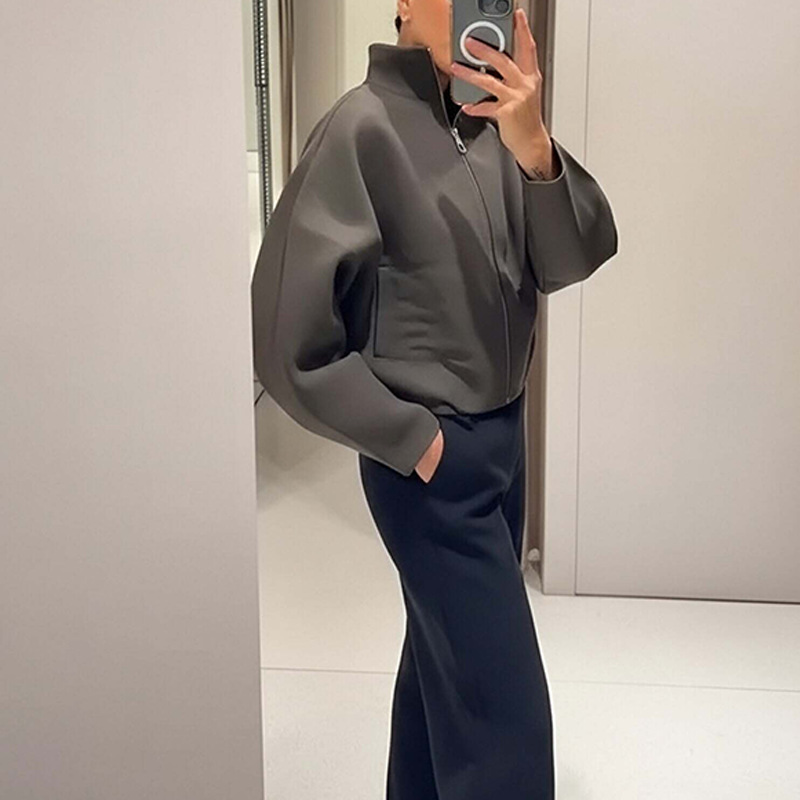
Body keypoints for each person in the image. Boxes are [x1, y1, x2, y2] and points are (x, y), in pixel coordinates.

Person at [251, 2, 618, 797]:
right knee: (504, 725)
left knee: (441, 685)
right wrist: (413, 441)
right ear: (406, 4)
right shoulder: (360, 131)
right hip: (431, 471)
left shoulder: (496, 126)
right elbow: (286, 339)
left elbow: (571, 259)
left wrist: (535, 147)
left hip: (504, 449)